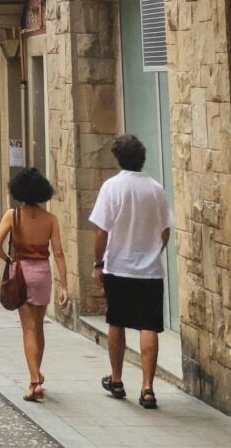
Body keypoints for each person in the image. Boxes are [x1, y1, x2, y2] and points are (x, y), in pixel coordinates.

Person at [89, 133, 171, 410]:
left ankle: (117, 378)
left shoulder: (112, 187)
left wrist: (98, 263)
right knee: (149, 326)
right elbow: (165, 231)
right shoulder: (156, 188)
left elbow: (101, 231)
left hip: (118, 267)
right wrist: (152, 254)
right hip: (149, 271)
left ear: (118, 158)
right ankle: (148, 388)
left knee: (117, 322)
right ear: (142, 157)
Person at [0, 167, 69, 403]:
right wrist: (64, 285)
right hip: (42, 272)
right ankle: (37, 373)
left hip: (21, 271)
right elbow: (58, 253)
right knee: (39, 326)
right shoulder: (50, 219)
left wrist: (10, 260)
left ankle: (34, 381)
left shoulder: (12, 216)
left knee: (28, 330)